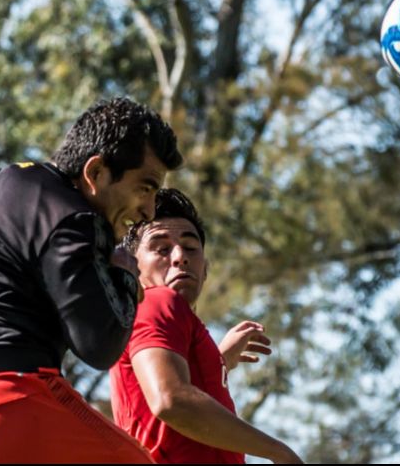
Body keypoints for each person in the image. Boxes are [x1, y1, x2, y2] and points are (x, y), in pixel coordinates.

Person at [0, 97, 183, 463]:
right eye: (146, 188)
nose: (149, 211)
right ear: (96, 172)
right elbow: (99, 344)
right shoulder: (72, 215)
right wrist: (124, 276)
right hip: (1, 409)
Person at [110, 188, 303, 464]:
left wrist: (217, 363)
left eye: (190, 247)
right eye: (161, 249)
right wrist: (279, 452)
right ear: (133, 267)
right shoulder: (158, 300)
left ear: (205, 268)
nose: (179, 256)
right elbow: (170, 399)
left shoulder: (154, 316)